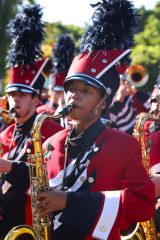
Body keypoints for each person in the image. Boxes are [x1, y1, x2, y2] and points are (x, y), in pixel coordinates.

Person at [36, 1, 155, 240]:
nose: (74, 95)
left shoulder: (124, 145)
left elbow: (143, 204)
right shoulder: (50, 142)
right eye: (71, 89)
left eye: (86, 91)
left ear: (103, 102)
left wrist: (70, 202)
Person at [0, 5, 63, 239]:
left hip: (30, 223)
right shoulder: (7, 132)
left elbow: (53, 178)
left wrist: (8, 166)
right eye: (11, 94)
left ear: (36, 99)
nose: (14, 100)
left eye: (21, 95)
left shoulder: (50, 129)